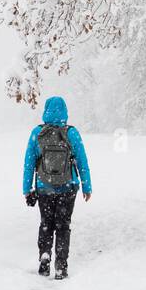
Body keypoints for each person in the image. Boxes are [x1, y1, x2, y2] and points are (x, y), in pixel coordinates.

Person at [22, 96, 92, 280]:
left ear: (45, 110)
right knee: (63, 225)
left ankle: (45, 257)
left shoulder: (37, 133)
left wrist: (27, 189)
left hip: (44, 188)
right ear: (65, 111)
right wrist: (87, 186)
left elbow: (29, 163)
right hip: (68, 188)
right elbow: (82, 162)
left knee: (46, 224)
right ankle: (61, 265)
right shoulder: (72, 133)